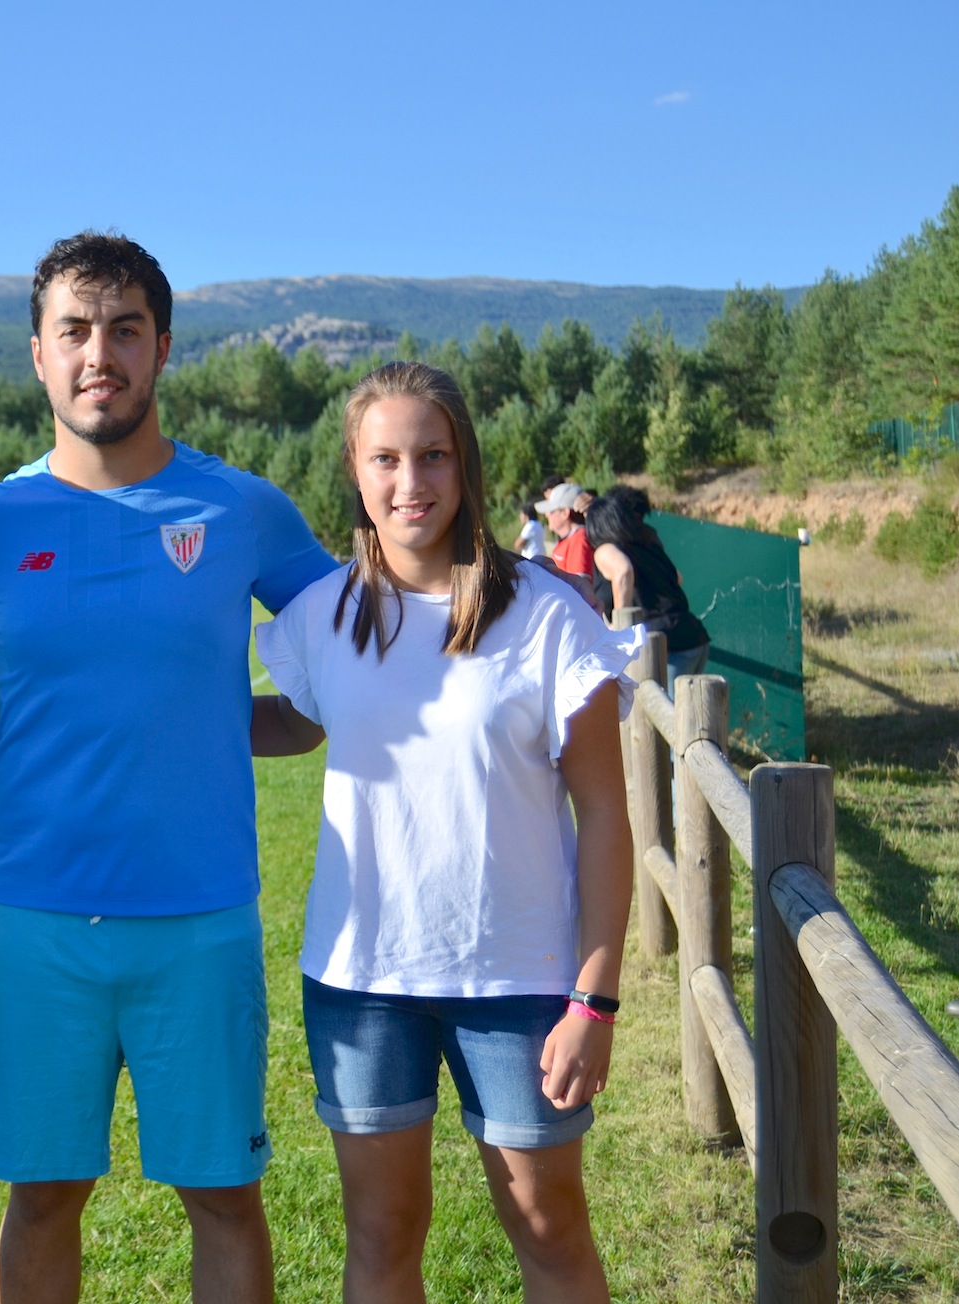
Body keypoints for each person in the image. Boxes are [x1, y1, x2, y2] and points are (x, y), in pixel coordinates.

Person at [0, 232, 340, 1304]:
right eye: (73, 330)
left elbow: (351, 656)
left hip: (200, 922)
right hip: (38, 923)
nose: (97, 352)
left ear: (160, 348)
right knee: (44, 1195)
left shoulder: (241, 509)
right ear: (36, 353)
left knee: (224, 1199)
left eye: (122, 329)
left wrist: (233, 723)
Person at [255, 361, 634, 1302]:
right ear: (354, 467)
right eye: (384, 458)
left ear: (464, 466)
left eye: (431, 456)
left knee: (546, 1227)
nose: (408, 482)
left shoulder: (548, 619)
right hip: (360, 982)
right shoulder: (322, 615)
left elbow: (606, 818)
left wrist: (594, 1000)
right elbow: (297, 721)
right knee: (381, 1236)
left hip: (520, 982)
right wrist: (135, 703)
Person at [586, 485, 710, 683]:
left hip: (667, 645)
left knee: (665, 710)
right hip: (693, 636)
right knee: (685, 711)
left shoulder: (606, 549)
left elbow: (623, 571)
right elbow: (677, 577)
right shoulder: (647, 545)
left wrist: (620, 626)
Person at [538, 481, 593, 579]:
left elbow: (579, 585)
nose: (546, 514)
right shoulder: (569, 538)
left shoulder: (579, 539)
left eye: (551, 511)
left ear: (564, 513)